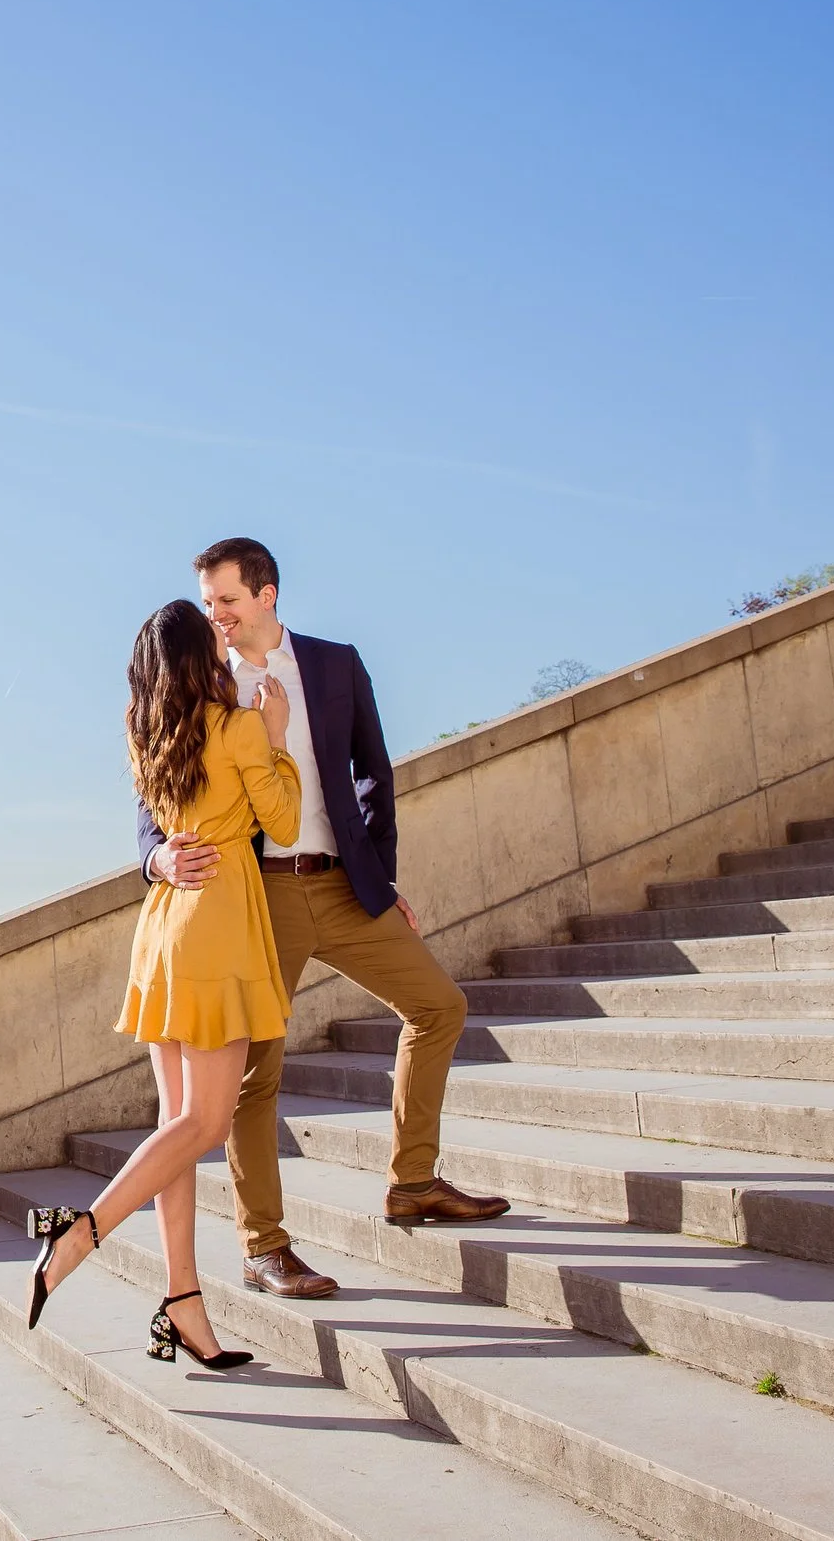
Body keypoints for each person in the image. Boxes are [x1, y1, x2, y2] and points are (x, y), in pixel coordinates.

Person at [141, 537, 507, 1286]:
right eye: (209, 603)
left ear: (267, 595)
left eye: (228, 601)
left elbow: (374, 775)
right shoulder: (203, 683)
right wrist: (157, 858)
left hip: (343, 884)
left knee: (440, 1005)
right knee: (253, 1075)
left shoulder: (336, 664)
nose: (217, 615)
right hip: (253, 897)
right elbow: (155, 790)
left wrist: (381, 876)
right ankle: (263, 1245)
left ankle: (413, 1180)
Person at [26, 598, 307, 1370]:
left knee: (178, 1124)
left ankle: (183, 1300)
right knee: (205, 1124)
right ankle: (80, 1232)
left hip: (162, 931)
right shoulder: (241, 728)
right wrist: (278, 739)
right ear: (200, 660)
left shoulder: (147, 736)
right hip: (217, 929)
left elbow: (160, 827)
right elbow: (281, 822)